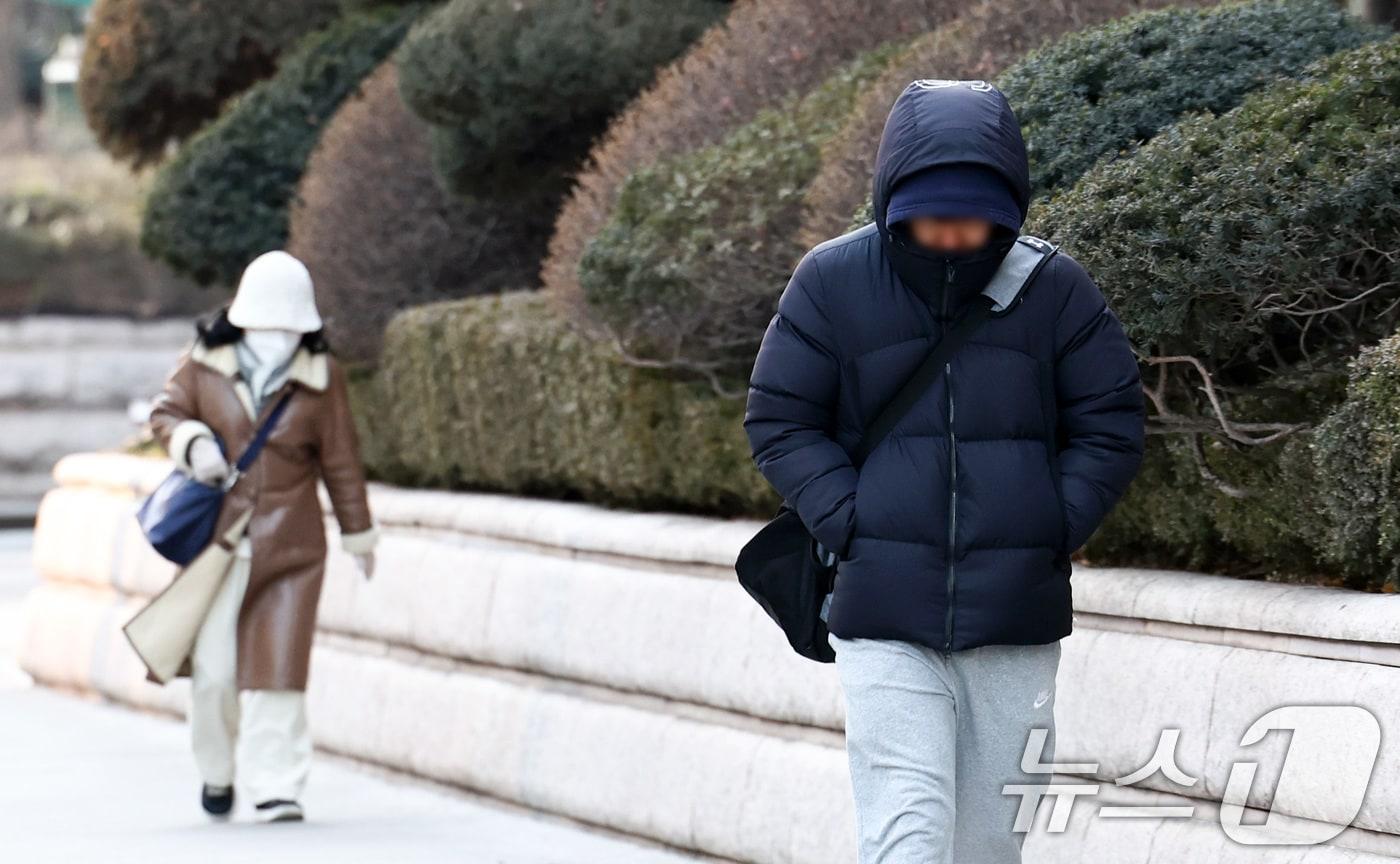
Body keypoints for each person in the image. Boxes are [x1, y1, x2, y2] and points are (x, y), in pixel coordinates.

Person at [743, 80, 1145, 863]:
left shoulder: (1054, 289)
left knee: (991, 841)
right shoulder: (831, 282)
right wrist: (852, 521)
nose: (954, 235)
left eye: (974, 217)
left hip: (1014, 613)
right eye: (934, 216)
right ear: (894, 202)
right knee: (910, 828)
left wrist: (1048, 524)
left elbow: (1111, 423)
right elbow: (780, 419)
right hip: (883, 609)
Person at [147, 250, 379, 823]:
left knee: (279, 675)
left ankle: (279, 785)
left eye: (288, 325)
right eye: (267, 322)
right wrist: (195, 442)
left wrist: (359, 533)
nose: (277, 335)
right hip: (219, 548)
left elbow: (341, 461)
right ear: (244, 317)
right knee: (215, 677)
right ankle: (217, 772)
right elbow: (165, 413)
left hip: (292, 548)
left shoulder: (321, 381)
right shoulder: (204, 364)